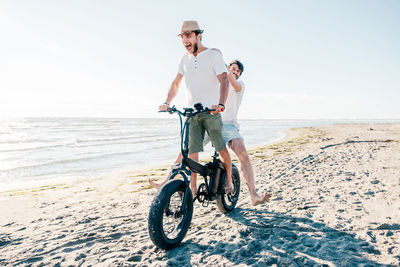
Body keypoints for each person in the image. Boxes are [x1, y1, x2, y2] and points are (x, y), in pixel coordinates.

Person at [151, 59, 271, 206]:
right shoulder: (217, 83)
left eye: (238, 71)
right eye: (232, 68)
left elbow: (233, 82)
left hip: (228, 125)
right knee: (186, 149)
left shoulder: (239, 85)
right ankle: (167, 181)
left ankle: (254, 195)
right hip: (211, 121)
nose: (235, 72)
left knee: (242, 152)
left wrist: (224, 67)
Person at [158, 20, 234, 197]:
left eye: (189, 35)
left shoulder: (213, 55)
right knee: (192, 152)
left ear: (199, 36)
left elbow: (224, 80)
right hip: (192, 113)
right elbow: (176, 82)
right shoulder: (184, 60)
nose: (185, 40)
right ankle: (192, 189)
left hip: (212, 112)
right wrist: (167, 102)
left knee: (221, 148)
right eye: (183, 37)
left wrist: (221, 104)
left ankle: (229, 179)